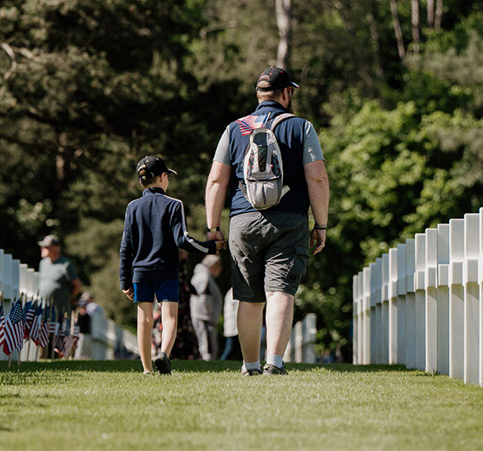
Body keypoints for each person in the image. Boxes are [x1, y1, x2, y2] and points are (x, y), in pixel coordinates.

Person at [205, 66, 329, 376]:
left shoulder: (234, 129)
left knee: (248, 297)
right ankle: (274, 361)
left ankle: (249, 366)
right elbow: (317, 178)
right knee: (280, 292)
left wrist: (213, 227)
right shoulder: (302, 128)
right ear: (286, 93)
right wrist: (322, 224)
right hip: (289, 220)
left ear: (259, 95)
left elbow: (216, 181)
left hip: (243, 220)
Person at [120, 155, 222, 374]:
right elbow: (182, 240)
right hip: (166, 269)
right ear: (162, 177)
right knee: (170, 317)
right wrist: (212, 247)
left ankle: (147, 369)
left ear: (141, 181)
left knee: (144, 320)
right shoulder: (174, 205)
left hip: (140, 271)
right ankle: (164, 354)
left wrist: (124, 280)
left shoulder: (132, 207)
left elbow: (125, 246)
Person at [189, 255, 223, 360]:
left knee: (205, 343)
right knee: (207, 346)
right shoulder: (205, 276)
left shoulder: (201, 275)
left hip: (203, 315)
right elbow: (204, 297)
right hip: (204, 316)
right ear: (213, 265)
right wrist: (210, 315)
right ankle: (207, 364)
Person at [38, 235, 82, 314]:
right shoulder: (43, 263)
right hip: (44, 311)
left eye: (46, 246)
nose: (42, 248)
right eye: (42, 246)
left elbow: (77, 286)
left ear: (56, 248)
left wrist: (67, 297)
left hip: (60, 312)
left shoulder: (65, 264)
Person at [75, 292, 105, 359]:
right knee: (81, 349)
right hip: (82, 332)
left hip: (88, 332)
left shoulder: (92, 307)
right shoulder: (85, 311)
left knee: (87, 350)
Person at [219, 287, 240, 360]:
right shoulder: (235, 291)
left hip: (232, 325)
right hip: (233, 325)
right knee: (229, 349)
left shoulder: (231, 291)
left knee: (233, 349)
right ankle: (221, 362)